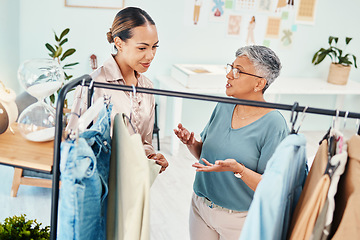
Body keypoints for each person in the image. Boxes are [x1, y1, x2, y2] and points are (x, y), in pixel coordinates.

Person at [174, 45, 289, 240]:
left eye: (238, 71)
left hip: (240, 220)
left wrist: (239, 169)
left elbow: (270, 186)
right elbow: (208, 156)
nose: (228, 75)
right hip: (201, 207)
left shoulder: (274, 124)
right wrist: (192, 143)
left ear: (259, 84)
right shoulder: (224, 105)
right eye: (230, 67)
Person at [69, 7, 168, 173]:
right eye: (142, 48)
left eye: (154, 47)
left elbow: (145, 142)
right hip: (101, 183)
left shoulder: (147, 87)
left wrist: (152, 157)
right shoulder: (93, 85)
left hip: (134, 183)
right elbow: (74, 143)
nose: (151, 55)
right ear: (119, 43)